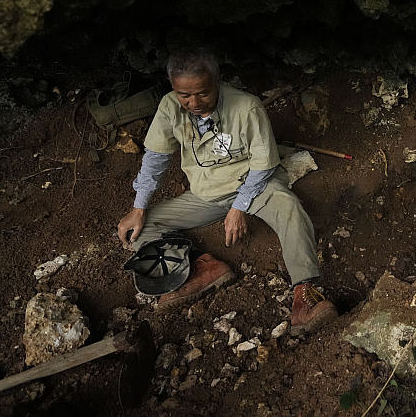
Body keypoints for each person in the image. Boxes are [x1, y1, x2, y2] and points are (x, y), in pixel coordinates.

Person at [116, 48, 337, 335]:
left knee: (289, 207)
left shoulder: (247, 107)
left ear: (217, 82)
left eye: (203, 93)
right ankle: (203, 267)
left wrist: (239, 208)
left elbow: (262, 166)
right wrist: (139, 207)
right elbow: (155, 158)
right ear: (173, 87)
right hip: (206, 192)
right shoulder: (170, 107)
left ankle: (304, 294)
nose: (193, 102)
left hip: (253, 184)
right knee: (140, 230)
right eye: (185, 95)